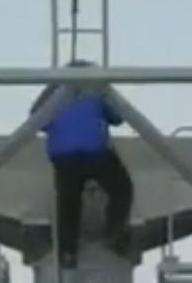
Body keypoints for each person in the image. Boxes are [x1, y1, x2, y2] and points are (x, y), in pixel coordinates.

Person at [30, 63, 134, 268]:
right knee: (122, 189)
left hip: (63, 156)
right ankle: (114, 234)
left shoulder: (53, 89)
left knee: (68, 201)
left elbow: (37, 119)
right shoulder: (96, 87)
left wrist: (59, 129)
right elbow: (118, 117)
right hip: (95, 151)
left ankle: (67, 251)